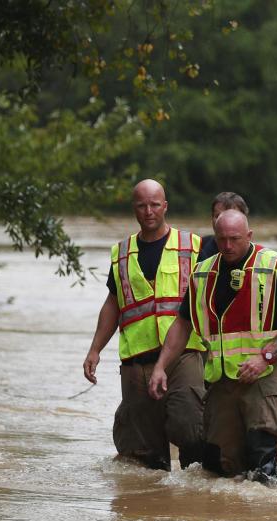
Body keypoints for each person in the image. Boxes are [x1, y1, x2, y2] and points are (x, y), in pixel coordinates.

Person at [148, 210, 277, 482]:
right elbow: (182, 324)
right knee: (218, 466)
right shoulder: (203, 272)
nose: (227, 246)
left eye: (235, 239)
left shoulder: (273, 266)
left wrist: (265, 357)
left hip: (265, 378)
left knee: (263, 467)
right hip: (222, 381)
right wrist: (161, 366)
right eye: (222, 239)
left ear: (249, 236)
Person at [83, 179, 205, 471]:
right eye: (141, 205)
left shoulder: (194, 246)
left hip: (184, 353)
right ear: (134, 209)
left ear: (165, 206)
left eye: (154, 204)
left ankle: (196, 495)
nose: (148, 211)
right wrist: (95, 350)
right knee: (144, 454)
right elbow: (113, 303)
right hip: (137, 360)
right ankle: (152, 509)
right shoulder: (121, 253)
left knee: (189, 426)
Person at [199, 191, 249, 262]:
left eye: (231, 216)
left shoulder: (259, 257)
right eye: (218, 216)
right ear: (212, 218)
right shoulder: (198, 247)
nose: (223, 220)